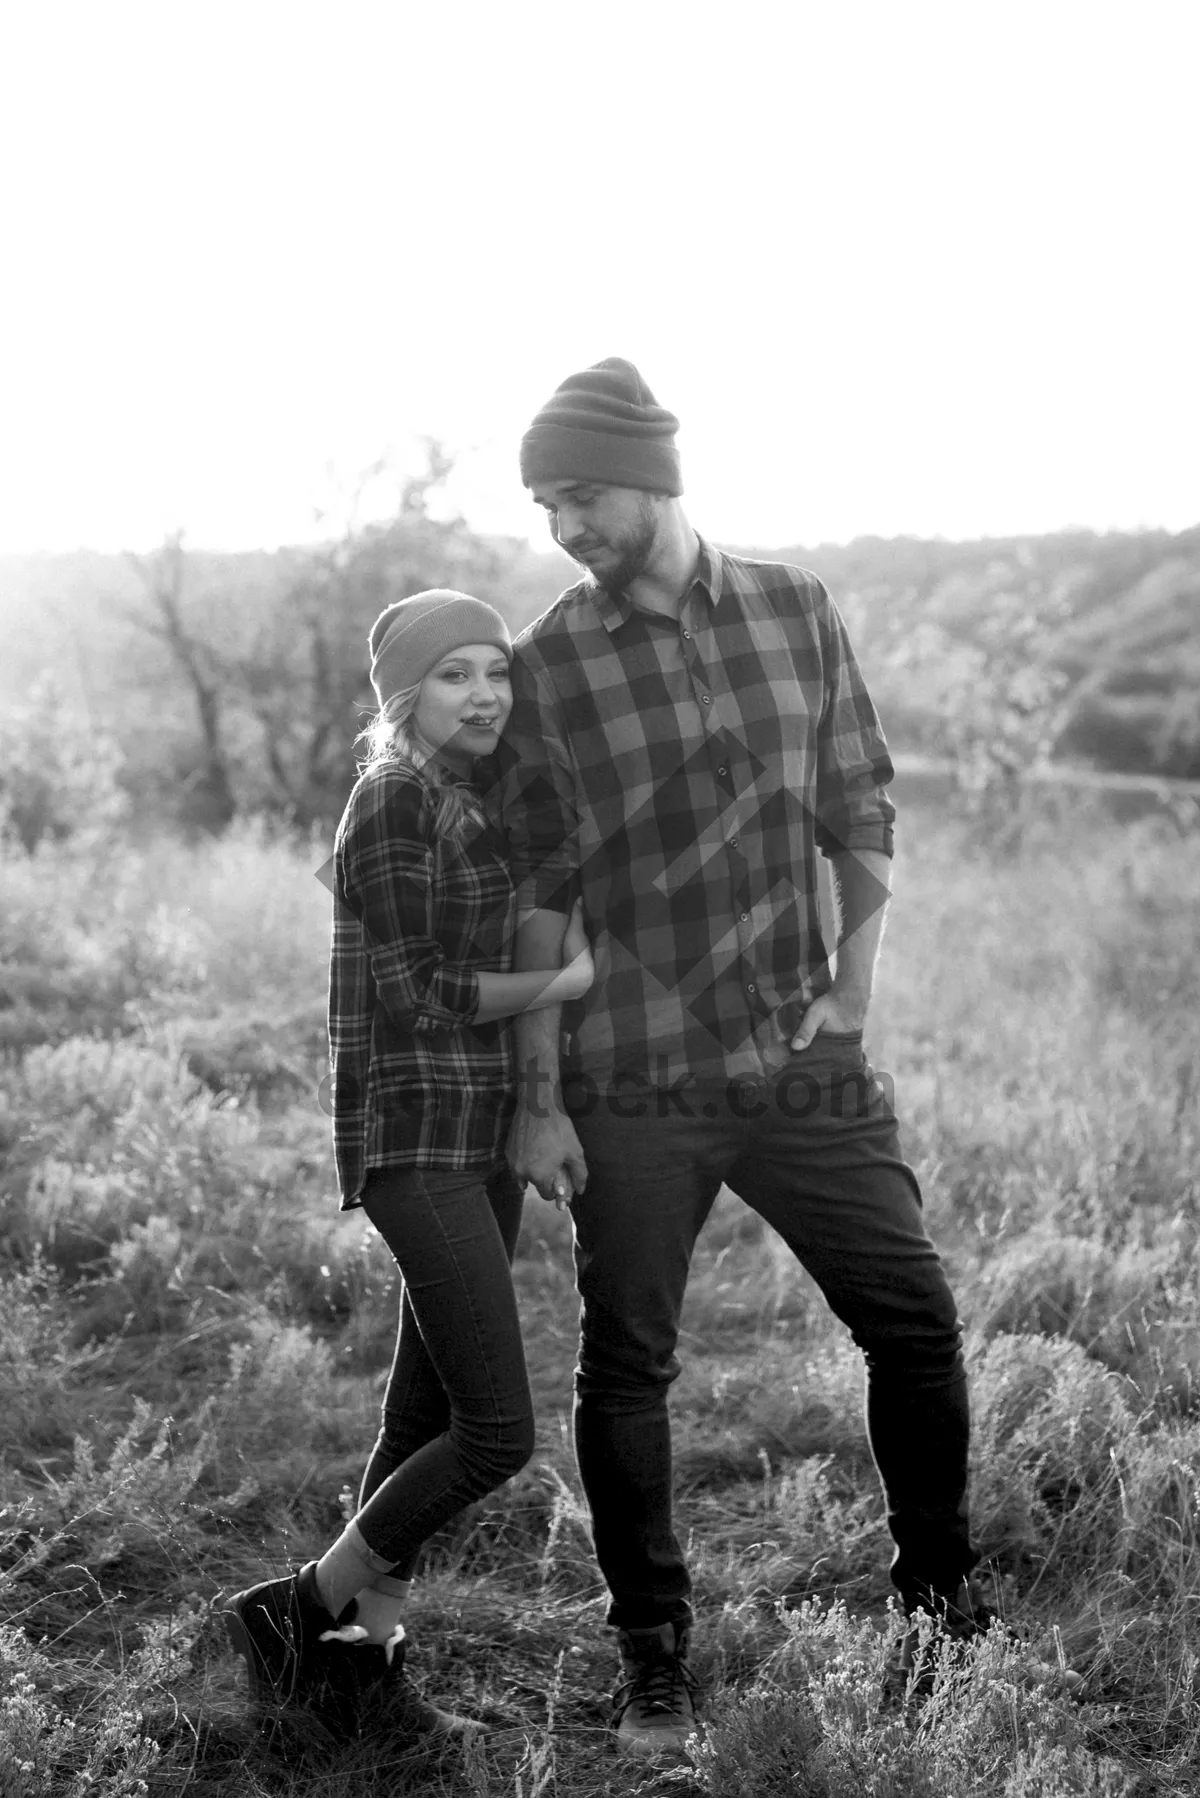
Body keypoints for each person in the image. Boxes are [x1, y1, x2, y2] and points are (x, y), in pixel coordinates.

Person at [497, 360, 984, 1756]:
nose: (563, 525)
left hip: (800, 1053)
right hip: (634, 1069)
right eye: (543, 505)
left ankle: (940, 1603)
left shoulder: (793, 608)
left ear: (650, 472)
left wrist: (858, 991)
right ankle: (652, 1652)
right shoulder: (551, 663)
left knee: (911, 1316)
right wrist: (540, 1100)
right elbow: (544, 890)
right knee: (631, 1363)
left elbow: (860, 797)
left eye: (578, 493)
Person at [225, 589, 592, 1744]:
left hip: (471, 1133)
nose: (485, 692)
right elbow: (416, 988)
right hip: (412, 1141)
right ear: (404, 692)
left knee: (416, 1419)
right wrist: (559, 988)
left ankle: (357, 1681)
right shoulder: (389, 800)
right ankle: (297, 1610)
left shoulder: (464, 795)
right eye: (455, 674)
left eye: (496, 669)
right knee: (497, 1433)